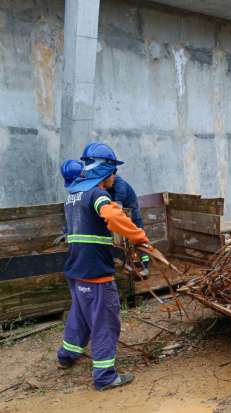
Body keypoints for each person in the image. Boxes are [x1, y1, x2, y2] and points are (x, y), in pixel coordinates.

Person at [57, 142, 151, 391]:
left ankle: (67, 355)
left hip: (77, 271)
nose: (114, 176)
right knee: (105, 323)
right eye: (112, 171)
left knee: (80, 316)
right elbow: (112, 216)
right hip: (96, 274)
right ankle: (105, 377)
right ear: (103, 171)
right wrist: (139, 237)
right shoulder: (97, 194)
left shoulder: (73, 196)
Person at [81, 143, 150, 275]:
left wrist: (116, 206)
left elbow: (119, 200)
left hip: (132, 210)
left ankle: (145, 265)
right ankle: (131, 264)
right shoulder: (101, 188)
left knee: (139, 235)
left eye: (114, 172)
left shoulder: (118, 183)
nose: (113, 175)